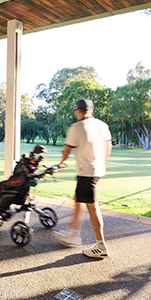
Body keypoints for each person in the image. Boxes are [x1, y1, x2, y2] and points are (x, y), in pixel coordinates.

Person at [53, 98, 112, 259]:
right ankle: (72, 234)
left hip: (86, 172)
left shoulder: (77, 127)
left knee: (92, 207)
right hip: (97, 170)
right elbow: (108, 147)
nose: (74, 113)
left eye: (75, 110)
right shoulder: (102, 125)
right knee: (78, 198)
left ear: (79, 110)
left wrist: (61, 163)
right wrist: (100, 163)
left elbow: (66, 150)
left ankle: (101, 246)